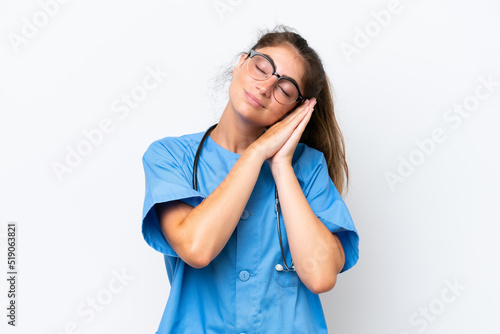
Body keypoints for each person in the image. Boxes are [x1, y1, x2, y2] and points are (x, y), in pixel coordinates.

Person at [141, 24, 359, 334]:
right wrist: (256, 153)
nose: (266, 87)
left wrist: (281, 166)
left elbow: (321, 276)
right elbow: (196, 248)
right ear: (240, 63)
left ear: (296, 109)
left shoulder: (308, 167)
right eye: (261, 68)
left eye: (285, 89)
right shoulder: (170, 156)